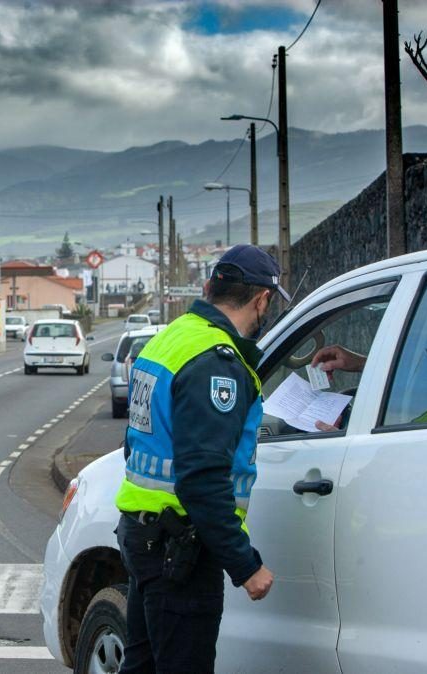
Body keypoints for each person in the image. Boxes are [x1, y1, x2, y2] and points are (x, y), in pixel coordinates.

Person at [115, 244, 286, 673]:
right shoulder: (214, 361)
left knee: (142, 665)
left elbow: (136, 441)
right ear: (262, 299)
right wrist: (245, 565)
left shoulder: (169, 339)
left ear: (210, 288)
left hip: (144, 535)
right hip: (181, 550)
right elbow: (202, 478)